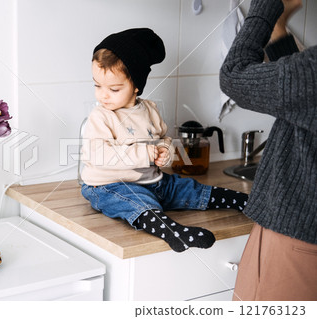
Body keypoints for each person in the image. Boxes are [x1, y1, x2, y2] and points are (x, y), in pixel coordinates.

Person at [81, 28, 249, 253]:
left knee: (186, 187)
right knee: (136, 201)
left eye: (113, 88)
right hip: (109, 186)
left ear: (136, 85)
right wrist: (143, 153)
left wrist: (164, 151)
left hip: (154, 181)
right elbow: (99, 154)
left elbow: (163, 138)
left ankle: (244, 201)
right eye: (97, 85)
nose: (103, 95)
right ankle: (173, 232)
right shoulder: (101, 116)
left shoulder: (149, 110)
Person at [220, 0, 316, 300]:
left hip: (296, 243)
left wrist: (266, 4)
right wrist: (278, 27)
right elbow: (303, 96)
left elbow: (233, 76)